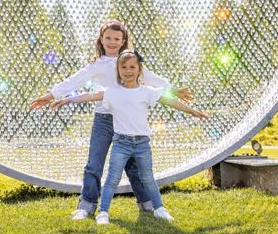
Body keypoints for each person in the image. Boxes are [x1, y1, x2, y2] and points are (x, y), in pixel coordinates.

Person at [30, 20, 192, 220]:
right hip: (104, 120)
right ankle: (87, 205)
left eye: (117, 38)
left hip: (127, 120)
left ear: (124, 40)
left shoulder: (130, 60)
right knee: (94, 163)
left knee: (133, 165)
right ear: (101, 39)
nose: (112, 42)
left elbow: (152, 79)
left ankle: (147, 203)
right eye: (108, 38)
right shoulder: (97, 64)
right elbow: (74, 80)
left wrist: (173, 89)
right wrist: (51, 95)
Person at [49, 50, 208, 224]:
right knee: (112, 178)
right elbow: (91, 96)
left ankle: (159, 208)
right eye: (123, 67)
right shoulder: (112, 91)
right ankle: (103, 212)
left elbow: (169, 100)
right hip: (121, 143)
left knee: (147, 177)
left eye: (132, 67)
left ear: (139, 69)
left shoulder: (147, 91)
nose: (128, 70)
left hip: (142, 144)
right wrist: (66, 100)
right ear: (118, 71)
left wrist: (191, 111)